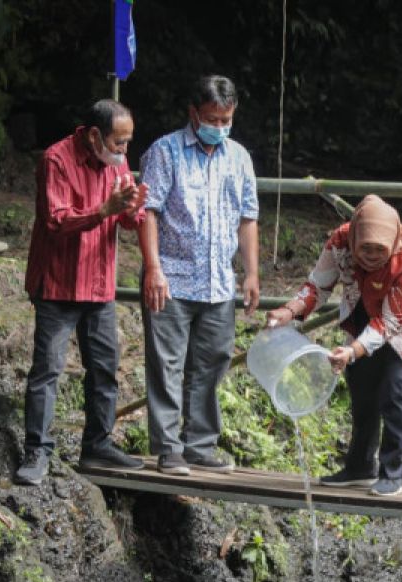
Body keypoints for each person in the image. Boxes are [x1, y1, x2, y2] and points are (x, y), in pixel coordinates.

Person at [265, 195, 402, 497]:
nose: (372, 255)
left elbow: (388, 323)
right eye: (366, 248)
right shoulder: (340, 241)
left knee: (395, 387)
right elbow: (318, 285)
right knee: (361, 381)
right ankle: (360, 466)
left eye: (379, 250)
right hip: (365, 301)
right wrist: (290, 310)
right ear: (355, 238)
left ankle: (392, 473)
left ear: (392, 243)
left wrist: (352, 350)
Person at [14, 99, 148, 486]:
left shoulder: (117, 163)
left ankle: (98, 443)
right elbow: (55, 221)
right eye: (119, 143)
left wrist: (132, 208)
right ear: (94, 136)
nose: (124, 152)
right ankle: (37, 449)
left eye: (128, 144)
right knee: (47, 371)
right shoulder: (56, 160)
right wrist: (105, 209)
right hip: (58, 284)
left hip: (99, 285)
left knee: (105, 369)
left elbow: (125, 219)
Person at [138, 75, 260, 476]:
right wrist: (153, 267)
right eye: (213, 119)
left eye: (227, 120)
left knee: (212, 362)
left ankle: (200, 444)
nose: (220, 127)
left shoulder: (239, 157)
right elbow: (149, 211)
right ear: (193, 113)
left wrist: (251, 274)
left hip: (218, 281)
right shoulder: (165, 152)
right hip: (171, 278)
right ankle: (169, 447)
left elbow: (248, 218)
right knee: (167, 364)